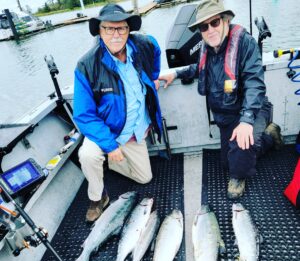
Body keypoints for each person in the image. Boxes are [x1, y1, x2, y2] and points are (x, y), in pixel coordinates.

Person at [159, 0, 283, 199]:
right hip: (226, 116)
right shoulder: (206, 47)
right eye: (204, 26)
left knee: (241, 153)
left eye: (215, 22)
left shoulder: (245, 42)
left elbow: (255, 83)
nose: (210, 30)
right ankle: (269, 135)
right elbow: (199, 69)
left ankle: (240, 174)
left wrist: (246, 120)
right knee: (227, 162)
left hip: (251, 110)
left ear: (226, 20)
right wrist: (176, 74)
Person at [73, 4, 163, 222]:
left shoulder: (144, 44)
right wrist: (110, 145)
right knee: (87, 155)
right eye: (108, 29)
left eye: (121, 28)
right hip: (107, 131)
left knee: (145, 178)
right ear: (100, 31)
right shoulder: (86, 64)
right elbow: (84, 115)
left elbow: (156, 52)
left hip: (134, 131)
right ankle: (98, 197)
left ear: (128, 30)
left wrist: (154, 76)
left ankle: (110, 162)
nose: (115, 35)